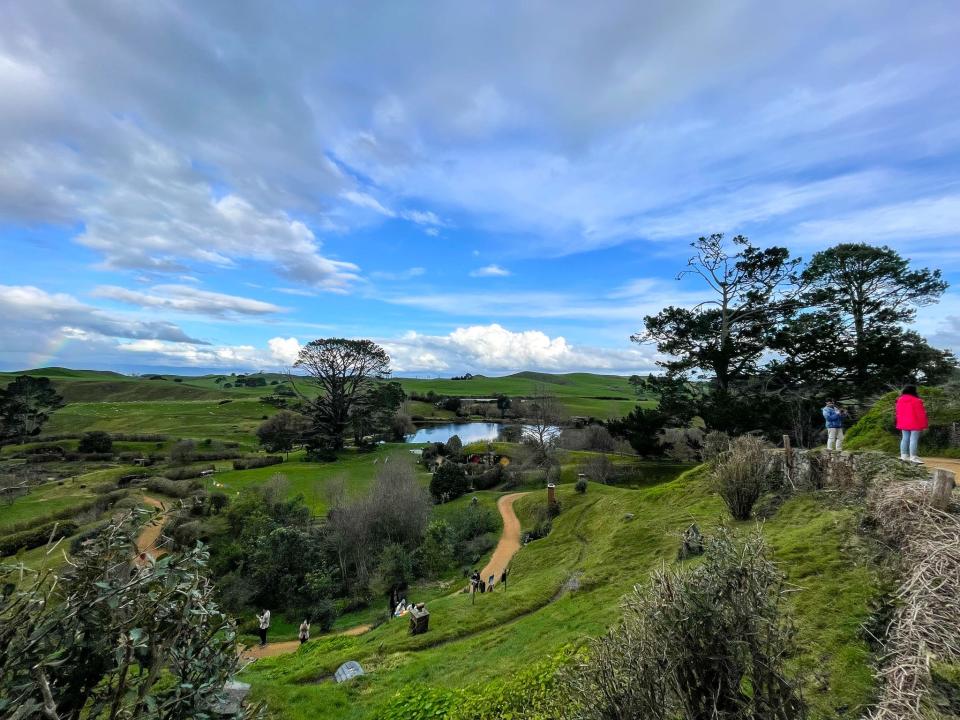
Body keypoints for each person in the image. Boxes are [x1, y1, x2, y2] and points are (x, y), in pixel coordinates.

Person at [896, 385, 928, 464]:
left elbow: (898, 412)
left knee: (904, 438)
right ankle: (913, 457)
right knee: (913, 439)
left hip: (903, 422)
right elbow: (921, 414)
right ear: (914, 391)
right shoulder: (917, 400)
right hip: (915, 422)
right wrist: (924, 424)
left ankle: (903, 456)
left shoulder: (899, 400)